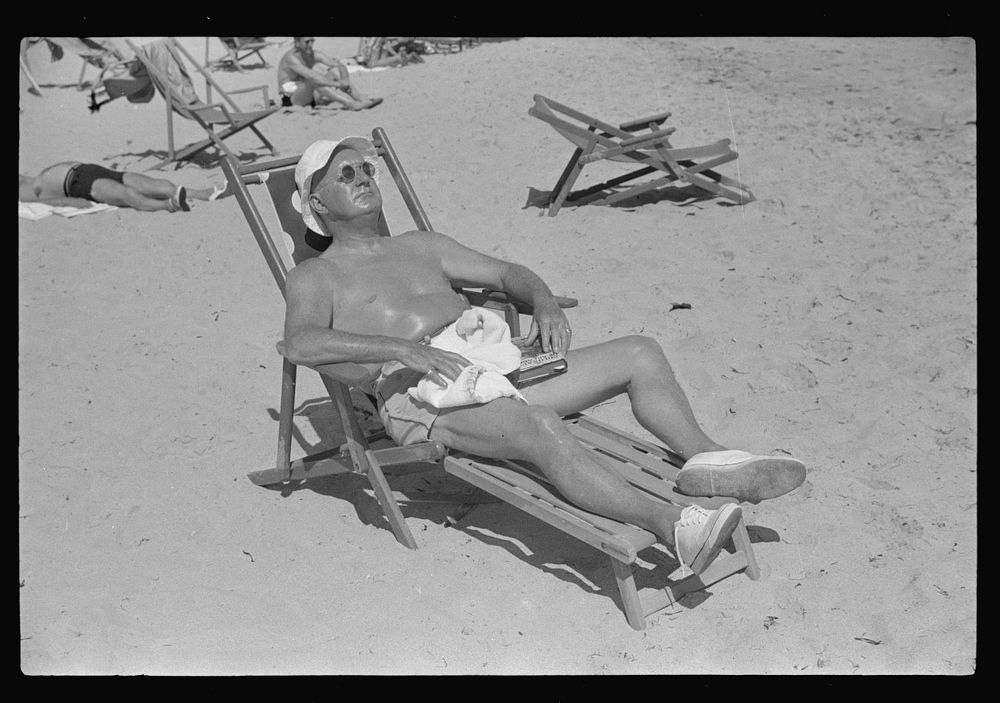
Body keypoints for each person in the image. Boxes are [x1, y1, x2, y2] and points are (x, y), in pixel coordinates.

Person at [278, 137, 807, 574]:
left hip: (492, 360)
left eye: (366, 167)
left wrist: (544, 300)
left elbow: (508, 273)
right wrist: (400, 350)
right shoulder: (317, 276)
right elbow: (298, 343)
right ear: (318, 204)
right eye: (345, 174)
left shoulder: (422, 244)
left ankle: (707, 461)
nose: (364, 177)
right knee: (541, 426)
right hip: (425, 395)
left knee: (640, 353)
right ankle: (673, 525)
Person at [18, 162, 225, 213]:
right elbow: (44, 201)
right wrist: (69, 201)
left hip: (88, 169)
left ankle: (202, 194)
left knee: (154, 184)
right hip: (76, 184)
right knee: (127, 195)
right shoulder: (21, 192)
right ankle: (168, 205)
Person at [277, 37, 383, 111]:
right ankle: (349, 103)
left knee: (334, 72)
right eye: (307, 42)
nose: (310, 45)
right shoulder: (291, 58)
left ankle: (361, 99)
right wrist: (338, 85)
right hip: (291, 99)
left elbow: (339, 65)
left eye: (312, 41)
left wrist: (344, 78)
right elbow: (311, 76)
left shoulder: (314, 54)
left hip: (310, 95)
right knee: (313, 79)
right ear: (297, 43)